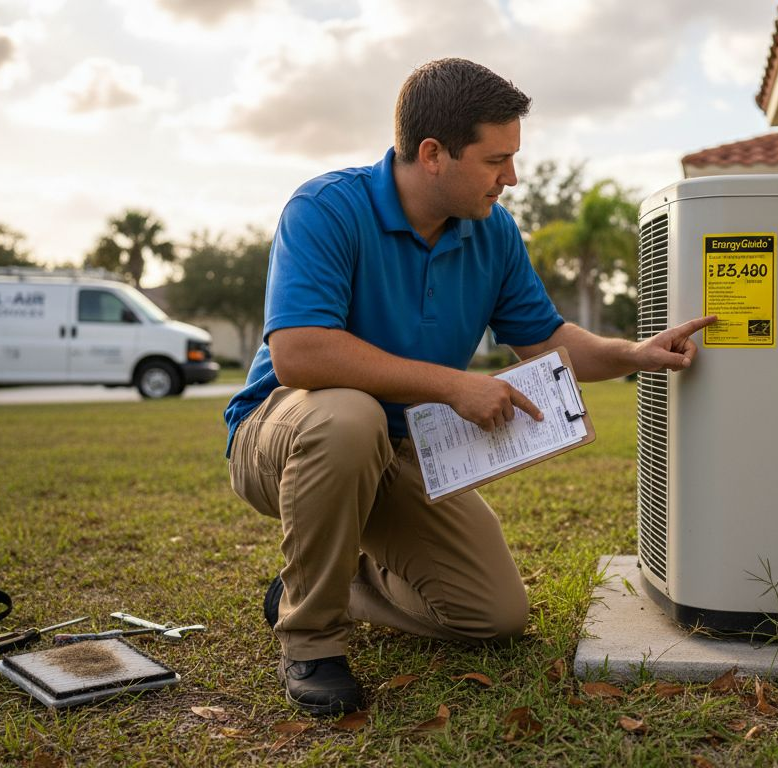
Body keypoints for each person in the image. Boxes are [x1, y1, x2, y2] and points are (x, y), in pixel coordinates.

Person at [223, 57, 714, 716]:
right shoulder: (326, 209)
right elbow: (300, 354)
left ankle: (326, 581)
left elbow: (546, 338)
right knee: (348, 416)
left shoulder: (493, 232)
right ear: (432, 153)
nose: (511, 177)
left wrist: (632, 352)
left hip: (400, 450)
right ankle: (311, 638)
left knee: (494, 615)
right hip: (286, 434)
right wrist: (453, 384)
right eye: (495, 160)